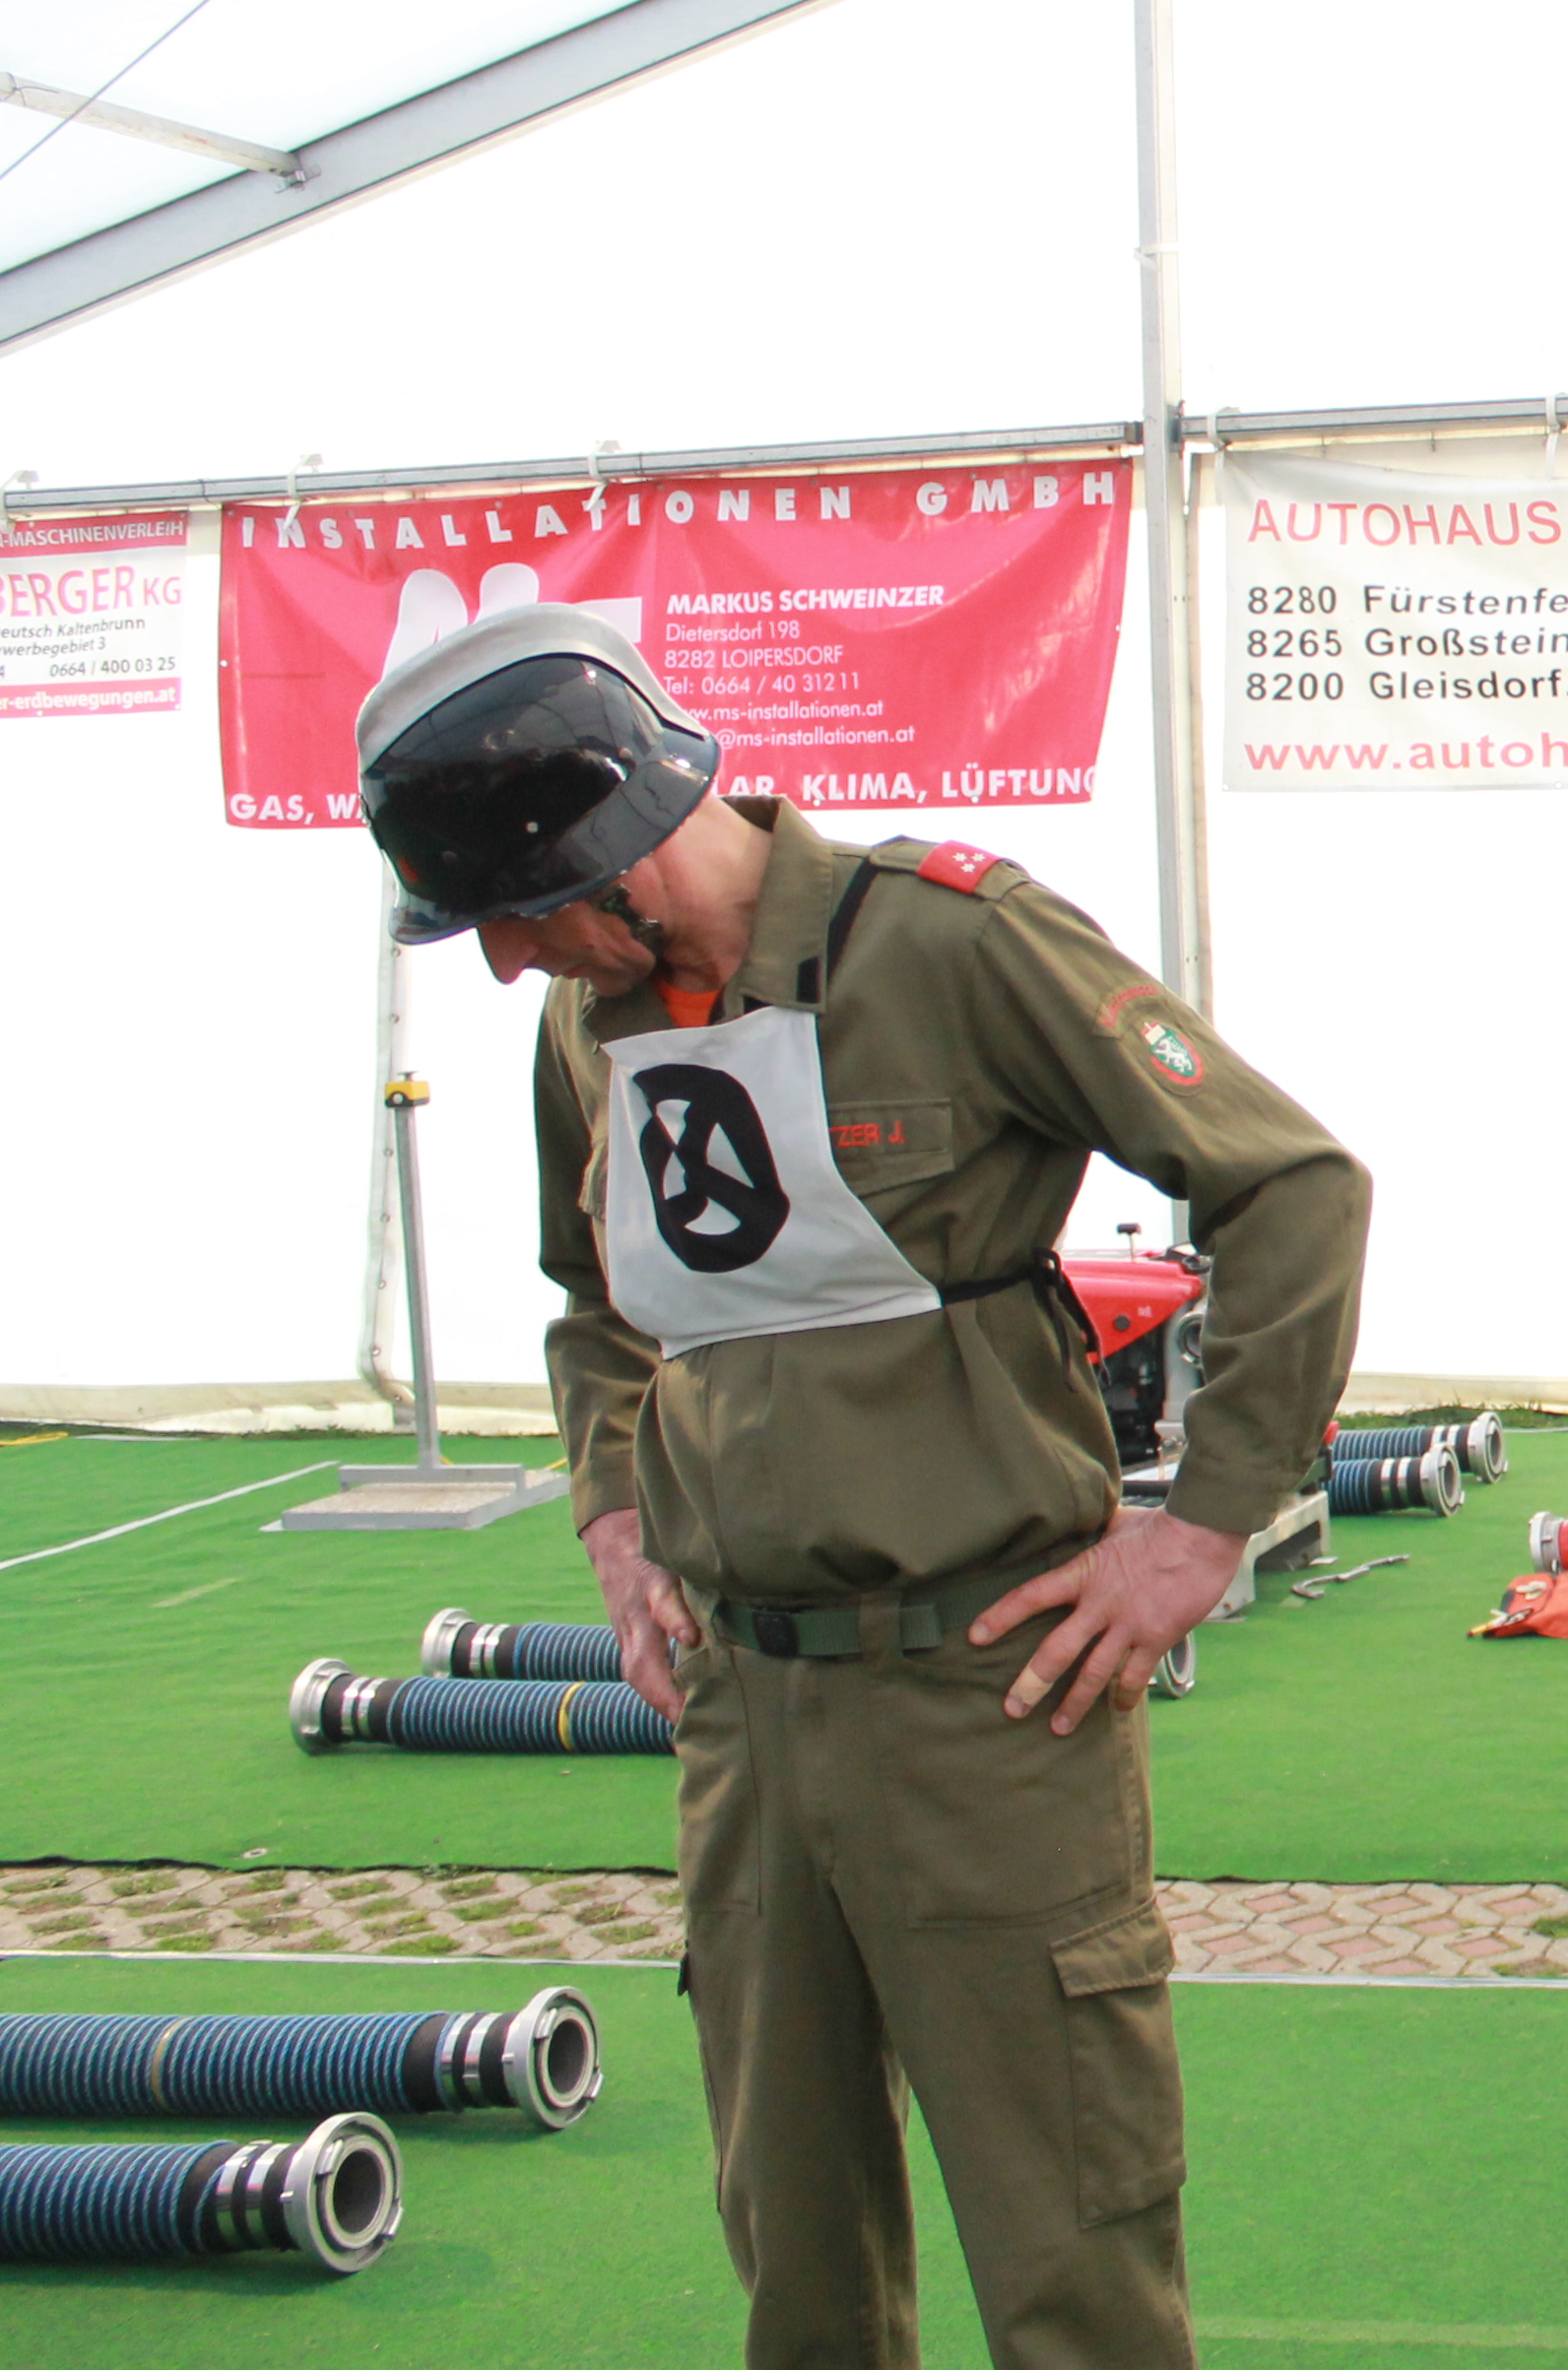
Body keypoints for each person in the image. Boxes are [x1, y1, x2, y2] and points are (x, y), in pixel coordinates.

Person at [357, 606, 1371, 2370]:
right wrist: (615, 1521)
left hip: (988, 1696)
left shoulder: (954, 941)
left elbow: (1292, 1187)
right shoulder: (591, 1023)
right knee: (797, 2249)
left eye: (519, 909)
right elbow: (595, 1300)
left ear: (613, 843)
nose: (511, 962)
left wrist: (1200, 1530)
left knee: (1069, 2245)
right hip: (742, 1715)